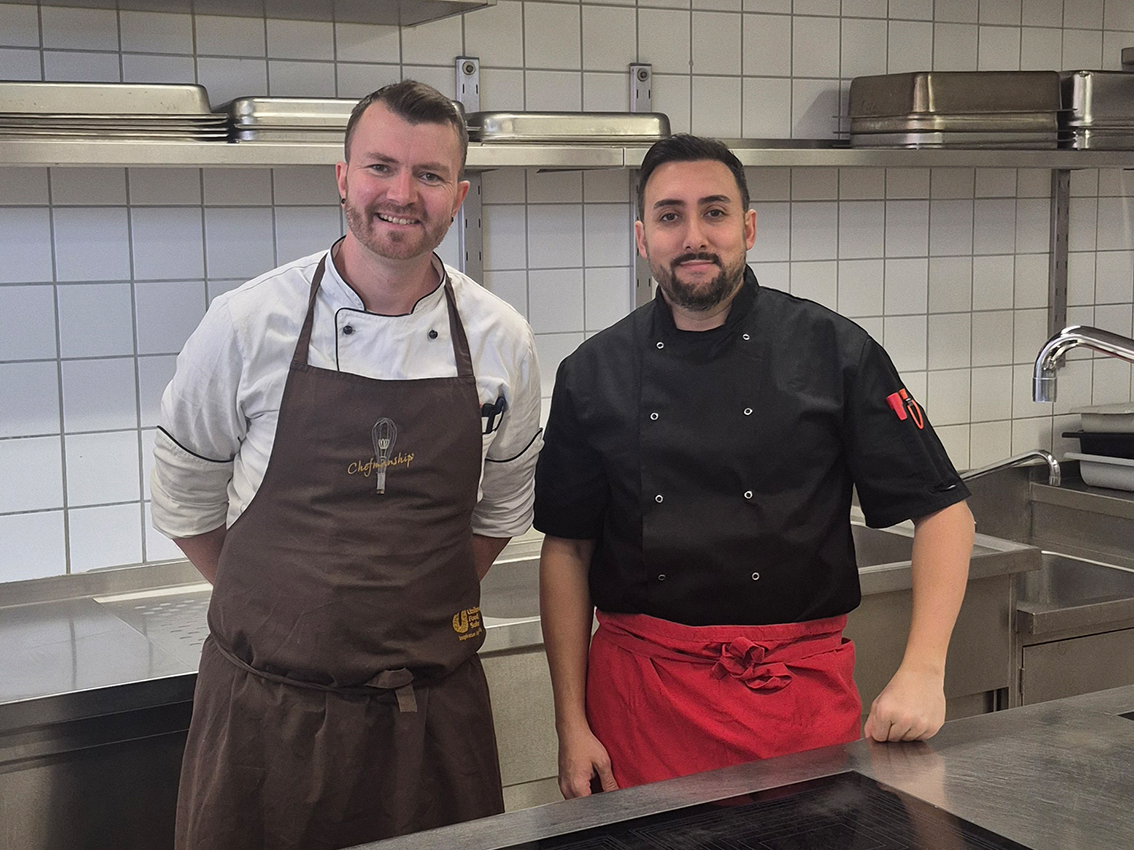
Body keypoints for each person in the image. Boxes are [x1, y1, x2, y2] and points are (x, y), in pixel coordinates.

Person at [150, 80, 542, 850]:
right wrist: (289, 613)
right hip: (269, 721)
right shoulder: (246, 324)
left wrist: (408, 609)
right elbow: (186, 503)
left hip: (432, 721)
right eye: (380, 167)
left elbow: (501, 511)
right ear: (342, 179)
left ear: (457, 196)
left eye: (429, 176)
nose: (402, 194)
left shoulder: (502, 341)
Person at [534, 134, 975, 798]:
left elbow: (943, 510)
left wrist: (923, 669)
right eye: (669, 215)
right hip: (643, 712)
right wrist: (571, 724)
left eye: (714, 212)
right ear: (642, 236)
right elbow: (566, 548)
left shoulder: (833, 351)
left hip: (795, 705)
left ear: (748, 227)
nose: (693, 235)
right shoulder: (593, 374)